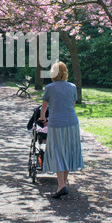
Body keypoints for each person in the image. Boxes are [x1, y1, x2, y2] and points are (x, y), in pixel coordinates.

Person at [39, 61, 84, 199]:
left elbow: (44, 107)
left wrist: (42, 119)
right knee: (68, 151)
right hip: (72, 123)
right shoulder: (72, 86)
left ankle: (61, 186)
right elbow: (73, 104)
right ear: (65, 73)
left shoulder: (49, 87)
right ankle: (63, 183)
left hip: (56, 123)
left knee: (58, 152)